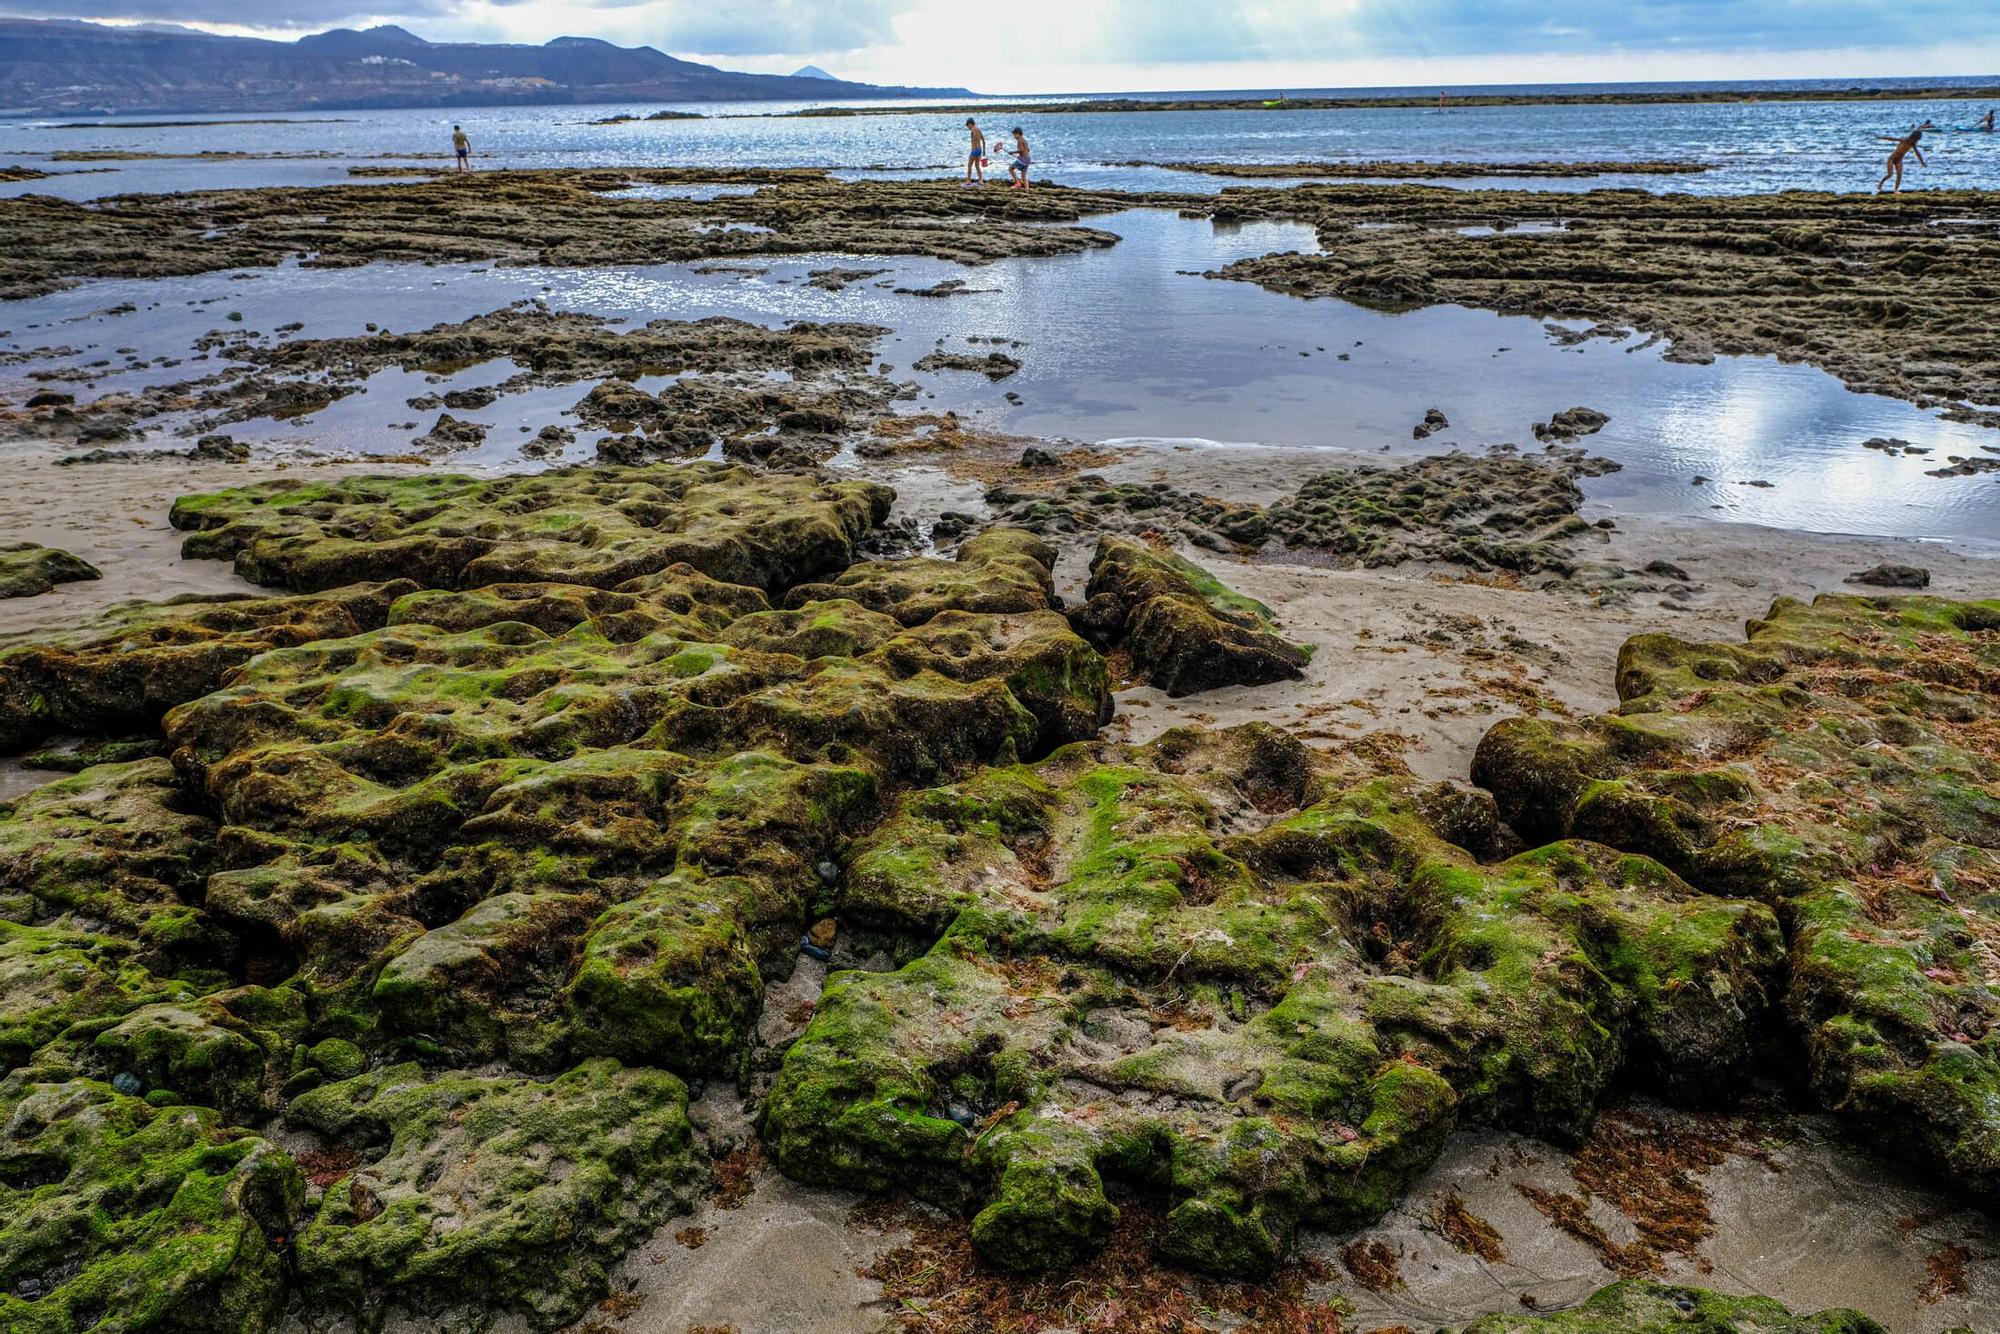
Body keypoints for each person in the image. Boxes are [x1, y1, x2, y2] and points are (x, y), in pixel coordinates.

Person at [964, 118, 987, 186]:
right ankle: (981, 180)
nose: (968, 127)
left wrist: (973, 149)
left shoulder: (973, 130)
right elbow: (983, 140)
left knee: (969, 165)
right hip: (979, 150)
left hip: (974, 151)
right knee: (977, 166)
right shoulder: (979, 130)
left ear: (970, 124)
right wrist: (984, 150)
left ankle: (968, 181)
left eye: (968, 126)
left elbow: (974, 140)